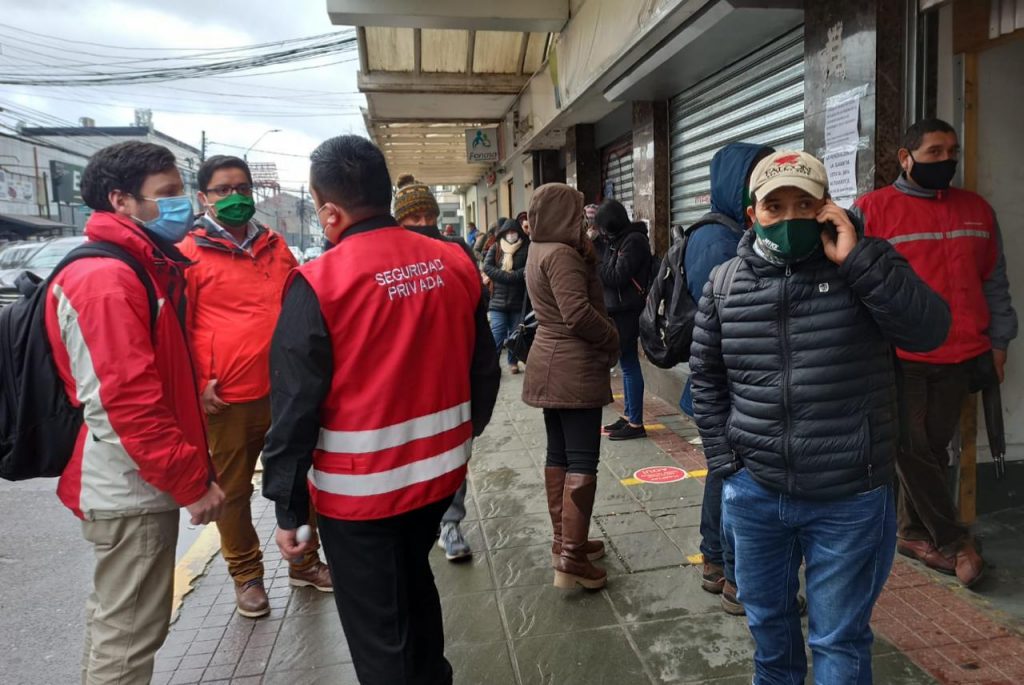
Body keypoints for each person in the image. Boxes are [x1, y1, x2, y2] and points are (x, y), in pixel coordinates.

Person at [690, 150, 950, 683]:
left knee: (838, 643)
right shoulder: (725, 283)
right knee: (769, 634)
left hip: (849, 499)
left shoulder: (867, 264)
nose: (789, 219)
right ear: (752, 215)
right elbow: (708, 379)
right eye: (774, 206)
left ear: (826, 208)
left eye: (803, 205)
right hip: (757, 495)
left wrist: (856, 262)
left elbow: (930, 331)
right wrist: (727, 465)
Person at [262, 135, 500, 685]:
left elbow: (294, 408)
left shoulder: (319, 283)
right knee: (415, 582)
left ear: (327, 210)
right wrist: (462, 439)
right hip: (439, 478)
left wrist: (289, 508)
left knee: (379, 634)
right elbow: (482, 369)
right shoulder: (454, 262)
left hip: (361, 499)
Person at [46, 141, 225, 683]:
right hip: (132, 489)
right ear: (121, 201)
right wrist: (192, 482)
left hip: (137, 484)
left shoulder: (140, 267)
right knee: (127, 639)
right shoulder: (107, 280)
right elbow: (127, 406)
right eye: (166, 195)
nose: (181, 207)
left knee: (120, 629)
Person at [854, 119, 1018, 587]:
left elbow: (995, 282)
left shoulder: (976, 210)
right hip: (897, 356)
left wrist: (1000, 342)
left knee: (932, 449)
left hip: (961, 355)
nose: (946, 161)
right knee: (909, 448)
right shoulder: (872, 210)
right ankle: (953, 541)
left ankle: (911, 533)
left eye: (952, 151)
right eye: (933, 153)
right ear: (904, 159)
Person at [179, 155, 331, 619]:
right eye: (224, 189)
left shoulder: (275, 245)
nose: (236, 197)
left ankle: (303, 561)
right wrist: (197, 381)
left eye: (243, 188)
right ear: (203, 198)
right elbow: (178, 327)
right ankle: (247, 576)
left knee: (298, 480)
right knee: (234, 492)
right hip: (227, 399)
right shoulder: (187, 252)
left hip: (287, 390)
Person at [678, 142, 774, 613]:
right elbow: (733, 318)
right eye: (756, 177)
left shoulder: (733, 232)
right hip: (729, 382)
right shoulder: (718, 241)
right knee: (735, 478)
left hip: (735, 380)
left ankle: (716, 560)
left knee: (726, 476)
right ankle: (734, 575)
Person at [524, 183, 619, 591]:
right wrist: (612, 337)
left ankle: (565, 541)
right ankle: (572, 559)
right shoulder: (562, 254)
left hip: (549, 362)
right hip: (572, 366)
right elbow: (577, 314)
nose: (584, 221)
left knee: (559, 455)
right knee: (582, 461)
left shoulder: (538, 248)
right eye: (579, 213)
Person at [394, 173, 483, 561]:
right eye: (413, 220)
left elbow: (475, 313)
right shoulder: (388, 256)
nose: (423, 226)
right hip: (401, 380)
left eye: (427, 217)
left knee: (451, 456)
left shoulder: (456, 251)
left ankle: (450, 524)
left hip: (449, 376)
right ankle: (411, 523)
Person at [594, 201, 653, 441]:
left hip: (628, 311)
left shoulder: (634, 241)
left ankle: (636, 422)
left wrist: (595, 262)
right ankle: (629, 415)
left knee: (629, 365)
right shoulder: (617, 240)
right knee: (625, 364)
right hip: (618, 311)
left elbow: (616, 276)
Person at [482, 218, 530, 374]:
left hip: (518, 300)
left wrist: (513, 276)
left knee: (515, 335)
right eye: (508, 232)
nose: (510, 235)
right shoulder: (496, 247)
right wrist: (505, 276)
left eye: (513, 232)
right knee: (497, 332)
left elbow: (528, 268)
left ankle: (513, 362)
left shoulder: (526, 247)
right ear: (503, 233)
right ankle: (492, 364)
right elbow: (487, 267)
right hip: (498, 300)